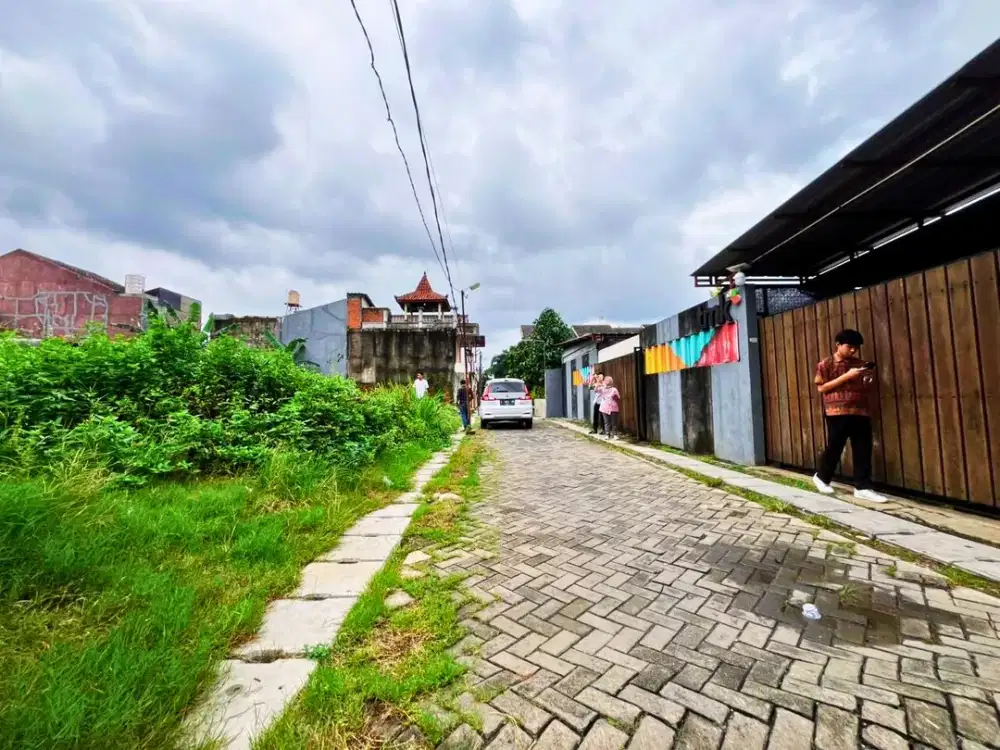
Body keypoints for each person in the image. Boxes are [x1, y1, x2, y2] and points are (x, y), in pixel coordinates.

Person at [812, 329, 887, 503]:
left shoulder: (858, 363)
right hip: (837, 411)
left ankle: (863, 487)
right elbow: (822, 388)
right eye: (849, 347)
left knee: (863, 447)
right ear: (838, 344)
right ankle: (822, 477)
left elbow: (866, 386)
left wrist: (866, 378)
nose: (853, 350)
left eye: (856, 347)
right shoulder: (826, 364)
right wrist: (846, 376)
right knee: (836, 445)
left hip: (860, 410)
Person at [599, 375, 621, 440]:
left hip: (613, 407)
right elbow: (593, 389)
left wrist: (615, 397)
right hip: (604, 407)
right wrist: (598, 383)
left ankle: (615, 434)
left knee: (614, 422)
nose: (606, 381)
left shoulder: (614, 389)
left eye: (608, 380)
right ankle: (607, 434)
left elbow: (618, 398)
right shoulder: (602, 389)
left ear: (611, 381)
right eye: (605, 380)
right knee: (607, 422)